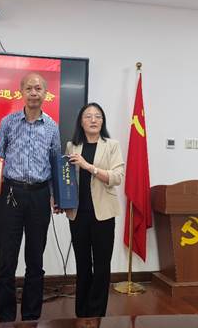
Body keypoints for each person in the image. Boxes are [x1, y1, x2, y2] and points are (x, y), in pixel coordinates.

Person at [0, 72, 61, 322]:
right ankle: (6, 316)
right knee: (7, 259)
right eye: (29, 88)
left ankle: (31, 316)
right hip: (10, 194)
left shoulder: (52, 126)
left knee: (35, 259)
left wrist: (56, 197)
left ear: (45, 93)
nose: (34, 93)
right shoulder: (8, 122)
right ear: (21, 92)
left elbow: (55, 163)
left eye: (38, 89)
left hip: (39, 196)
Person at [66, 103, 125, 318]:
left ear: (103, 121)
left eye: (98, 116)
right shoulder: (72, 146)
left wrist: (89, 166)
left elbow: (117, 178)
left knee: (101, 266)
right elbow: (66, 178)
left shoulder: (112, 145)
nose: (93, 120)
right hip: (78, 214)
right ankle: (82, 313)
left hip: (103, 214)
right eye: (88, 116)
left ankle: (97, 313)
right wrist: (60, 199)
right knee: (82, 265)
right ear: (81, 122)